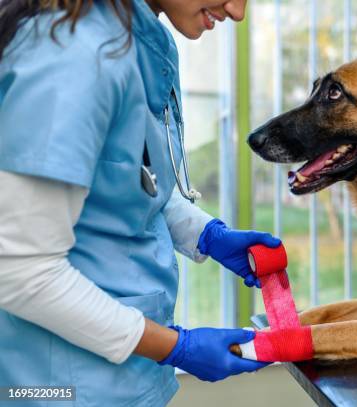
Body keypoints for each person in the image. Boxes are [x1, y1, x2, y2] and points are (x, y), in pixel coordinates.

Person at [0, 0, 277, 405]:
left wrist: (209, 236)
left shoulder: (144, 44)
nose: (237, 11)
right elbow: (21, 270)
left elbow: (130, 179)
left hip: (124, 381)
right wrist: (174, 347)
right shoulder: (75, 57)